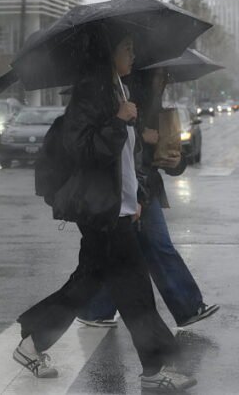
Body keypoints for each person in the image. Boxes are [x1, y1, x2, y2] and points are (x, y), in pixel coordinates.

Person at [13, 28, 197, 392]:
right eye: (126, 47)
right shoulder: (91, 93)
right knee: (135, 289)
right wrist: (118, 121)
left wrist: (136, 200)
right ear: (109, 52)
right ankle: (155, 368)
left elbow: (122, 162)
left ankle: (31, 342)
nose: (132, 54)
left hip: (116, 208)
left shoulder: (118, 90)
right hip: (100, 212)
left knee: (87, 283)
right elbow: (82, 150)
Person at [78, 67, 219, 329]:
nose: (167, 79)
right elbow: (117, 146)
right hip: (130, 188)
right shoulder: (125, 98)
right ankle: (187, 307)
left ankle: (96, 308)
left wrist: (175, 161)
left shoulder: (157, 107)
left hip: (144, 186)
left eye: (168, 75)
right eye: (163, 74)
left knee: (126, 253)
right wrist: (141, 135)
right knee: (156, 246)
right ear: (151, 73)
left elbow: (165, 158)